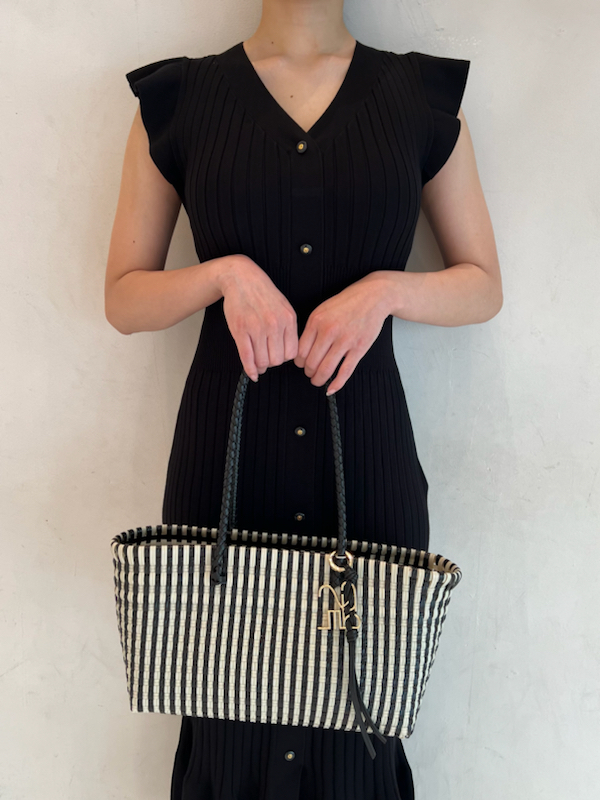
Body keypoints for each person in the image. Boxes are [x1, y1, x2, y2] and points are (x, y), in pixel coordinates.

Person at [105, 0, 502, 797]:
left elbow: (482, 285)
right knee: (226, 721)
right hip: (226, 468)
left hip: (368, 458)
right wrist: (223, 276)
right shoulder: (179, 101)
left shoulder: (421, 100)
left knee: (361, 728)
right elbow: (124, 298)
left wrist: (386, 292)